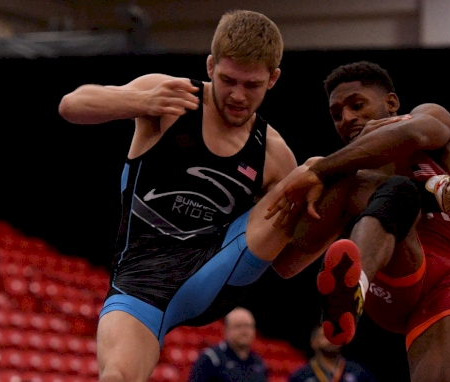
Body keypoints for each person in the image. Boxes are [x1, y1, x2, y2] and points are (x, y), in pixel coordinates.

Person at [58, 10, 369, 382]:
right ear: (210, 66)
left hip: (213, 273)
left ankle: (361, 230)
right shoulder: (168, 95)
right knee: (117, 375)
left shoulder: (271, 152)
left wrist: (329, 230)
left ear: (273, 79)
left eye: (251, 85)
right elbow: (72, 105)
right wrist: (138, 104)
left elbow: (286, 263)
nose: (237, 95)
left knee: (312, 171)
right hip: (140, 284)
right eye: (227, 80)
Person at [266, 61, 450, 382]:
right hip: (389, 278)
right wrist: (302, 184)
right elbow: (287, 263)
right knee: (390, 187)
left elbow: (413, 132)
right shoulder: (344, 179)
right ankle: (354, 284)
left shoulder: (430, 118)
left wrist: (321, 168)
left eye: (357, 105)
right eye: (337, 115)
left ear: (391, 103)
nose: (347, 119)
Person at [188, 307, 267, 381]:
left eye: (248, 326)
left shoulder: (258, 362)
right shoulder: (211, 359)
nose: (244, 331)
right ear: (226, 329)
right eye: (238, 326)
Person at [289, 325, 376, 382]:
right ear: (313, 342)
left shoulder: (358, 371)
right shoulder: (301, 376)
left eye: (334, 334)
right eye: (325, 336)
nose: (331, 339)